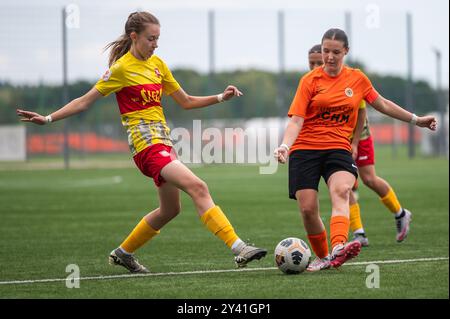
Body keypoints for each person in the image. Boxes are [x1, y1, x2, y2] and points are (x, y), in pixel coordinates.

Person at [17, 11, 267, 274]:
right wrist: (47, 118)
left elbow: (186, 101)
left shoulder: (158, 64)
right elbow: (84, 101)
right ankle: (239, 248)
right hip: (146, 147)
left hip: (164, 143)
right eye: (151, 38)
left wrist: (220, 97)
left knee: (169, 210)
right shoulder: (121, 69)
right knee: (198, 186)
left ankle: (123, 254)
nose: (155, 44)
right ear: (134, 36)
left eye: (158, 38)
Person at [274, 29, 437, 272]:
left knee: (341, 191)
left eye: (335, 52)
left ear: (346, 52)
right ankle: (323, 257)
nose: (329, 57)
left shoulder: (357, 79)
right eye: (326, 51)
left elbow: (382, 104)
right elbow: (296, 120)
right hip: (305, 149)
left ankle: (339, 247)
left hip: (338, 148)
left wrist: (416, 120)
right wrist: (285, 145)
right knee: (308, 209)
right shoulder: (309, 81)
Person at [308, 44, 413, 248]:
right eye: (311, 63)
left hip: (358, 136)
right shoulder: (312, 82)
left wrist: (354, 142)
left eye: (318, 63)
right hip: (333, 140)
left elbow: (362, 112)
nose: (315, 66)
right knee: (341, 188)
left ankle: (400, 213)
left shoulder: (349, 79)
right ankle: (359, 233)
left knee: (369, 179)